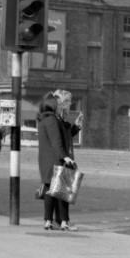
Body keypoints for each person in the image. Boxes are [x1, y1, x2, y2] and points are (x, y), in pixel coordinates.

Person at [37, 90, 82, 231]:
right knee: (62, 192)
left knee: (52, 191)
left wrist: (76, 127)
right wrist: (65, 157)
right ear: (59, 104)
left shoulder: (50, 119)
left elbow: (64, 135)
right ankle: (63, 222)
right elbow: (57, 142)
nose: (69, 105)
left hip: (48, 160)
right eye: (68, 102)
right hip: (55, 160)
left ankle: (50, 221)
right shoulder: (52, 120)